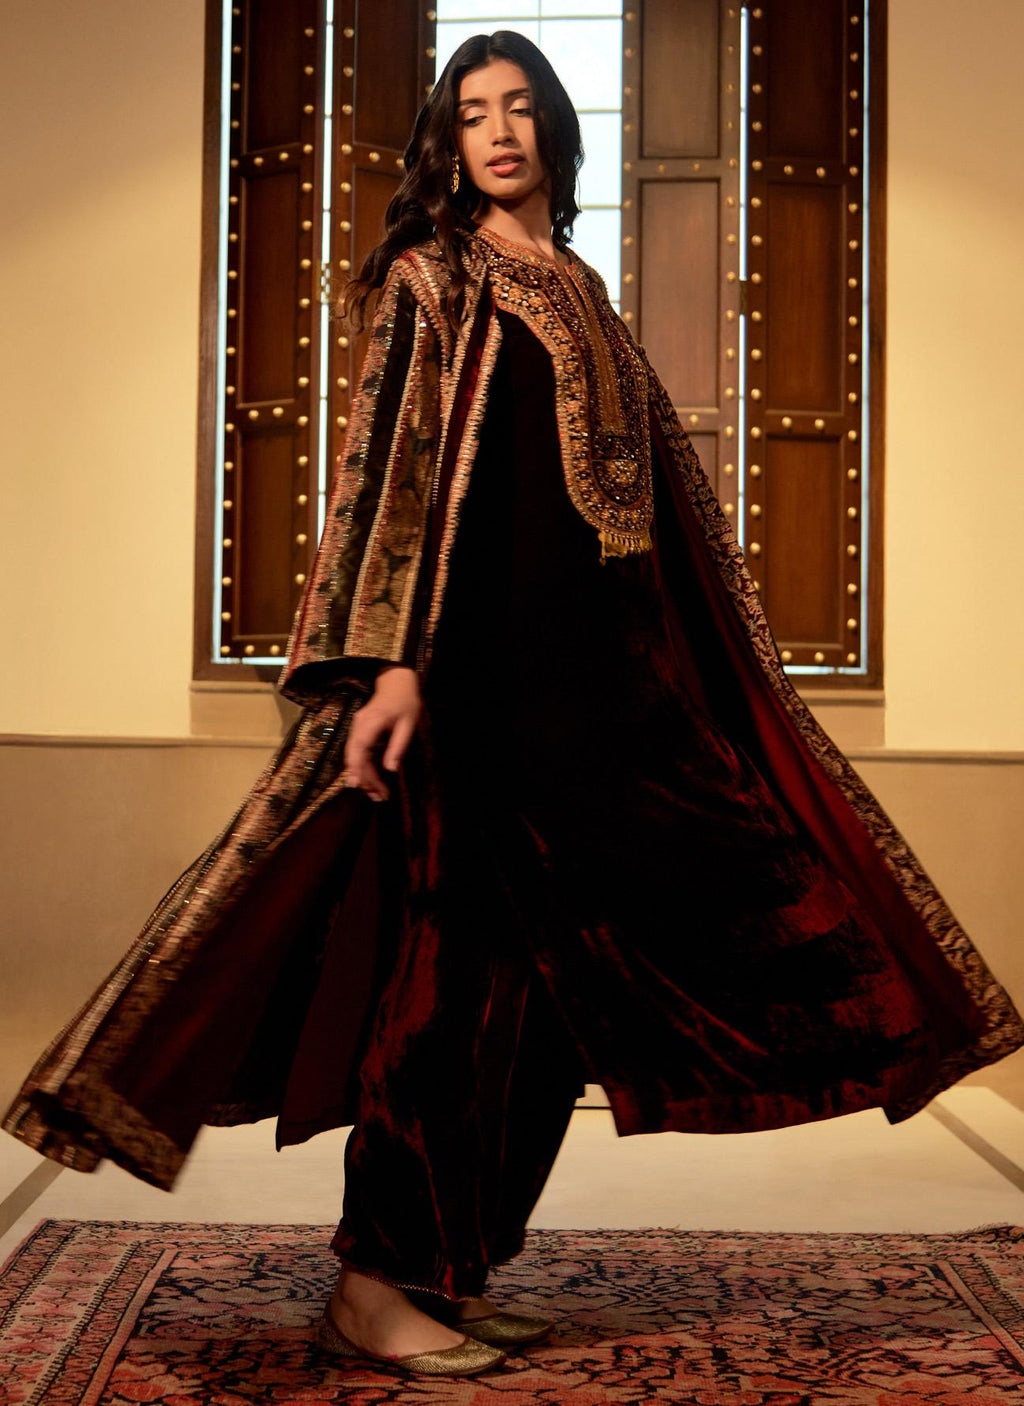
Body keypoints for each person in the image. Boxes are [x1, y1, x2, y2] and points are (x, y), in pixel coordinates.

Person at [5, 30, 1024, 1383]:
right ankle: (374, 1282)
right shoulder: (435, 279)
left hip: (597, 716)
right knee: (450, 998)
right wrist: (390, 665)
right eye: (472, 110)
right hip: (472, 706)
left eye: (520, 106)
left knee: (555, 1011)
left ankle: (452, 1262)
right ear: (448, 138)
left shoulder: (582, 289)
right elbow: (392, 472)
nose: (497, 129)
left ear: (554, 128)